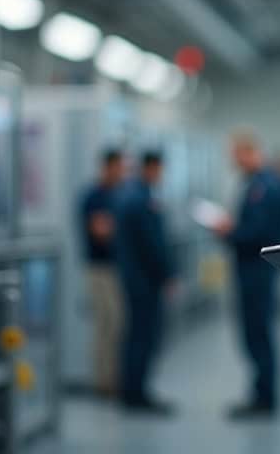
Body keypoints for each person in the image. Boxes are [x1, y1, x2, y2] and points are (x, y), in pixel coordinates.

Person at [212, 130, 280, 420]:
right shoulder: (256, 184)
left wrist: (229, 231)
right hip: (251, 269)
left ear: (249, 152)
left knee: (259, 333)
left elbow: (259, 233)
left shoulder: (264, 186)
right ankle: (261, 393)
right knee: (254, 333)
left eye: (236, 155)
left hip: (258, 270)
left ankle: (265, 397)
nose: (234, 162)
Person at [115, 150, 178, 414]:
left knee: (136, 335)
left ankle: (133, 391)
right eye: (160, 169)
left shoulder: (131, 195)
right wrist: (167, 274)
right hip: (144, 280)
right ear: (151, 168)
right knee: (143, 336)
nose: (161, 176)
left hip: (135, 277)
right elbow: (152, 244)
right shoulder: (142, 200)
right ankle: (136, 394)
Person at [78, 149, 126, 397]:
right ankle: (104, 382)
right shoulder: (94, 196)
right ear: (108, 167)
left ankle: (116, 378)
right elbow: (101, 231)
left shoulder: (118, 195)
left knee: (117, 325)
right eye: (119, 167)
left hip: (116, 268)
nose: (123, 172)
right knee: (106, 324)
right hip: (100, 269)